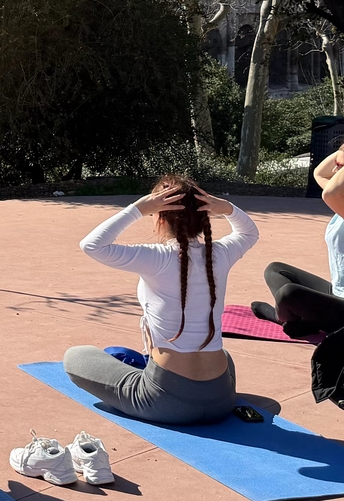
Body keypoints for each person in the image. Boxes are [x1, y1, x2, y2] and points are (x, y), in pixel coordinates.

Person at [65, 175, 259, 425]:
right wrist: (228, 208)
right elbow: (249, 233)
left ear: (158, 217)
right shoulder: (221, 253)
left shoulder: (157, 257)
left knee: (76, 356)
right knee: (222, 355)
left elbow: (92, 245)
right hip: (221, 398)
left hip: (165, 402)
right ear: (205, 217)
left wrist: (138, 209)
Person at [252, 138, 344, 339]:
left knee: (288, 293)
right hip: (341, 295)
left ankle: (284, 318)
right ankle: (302, 322)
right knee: (276, 270)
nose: (334, 171)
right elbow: (319, 173)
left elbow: (329, 194)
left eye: (340, 167)